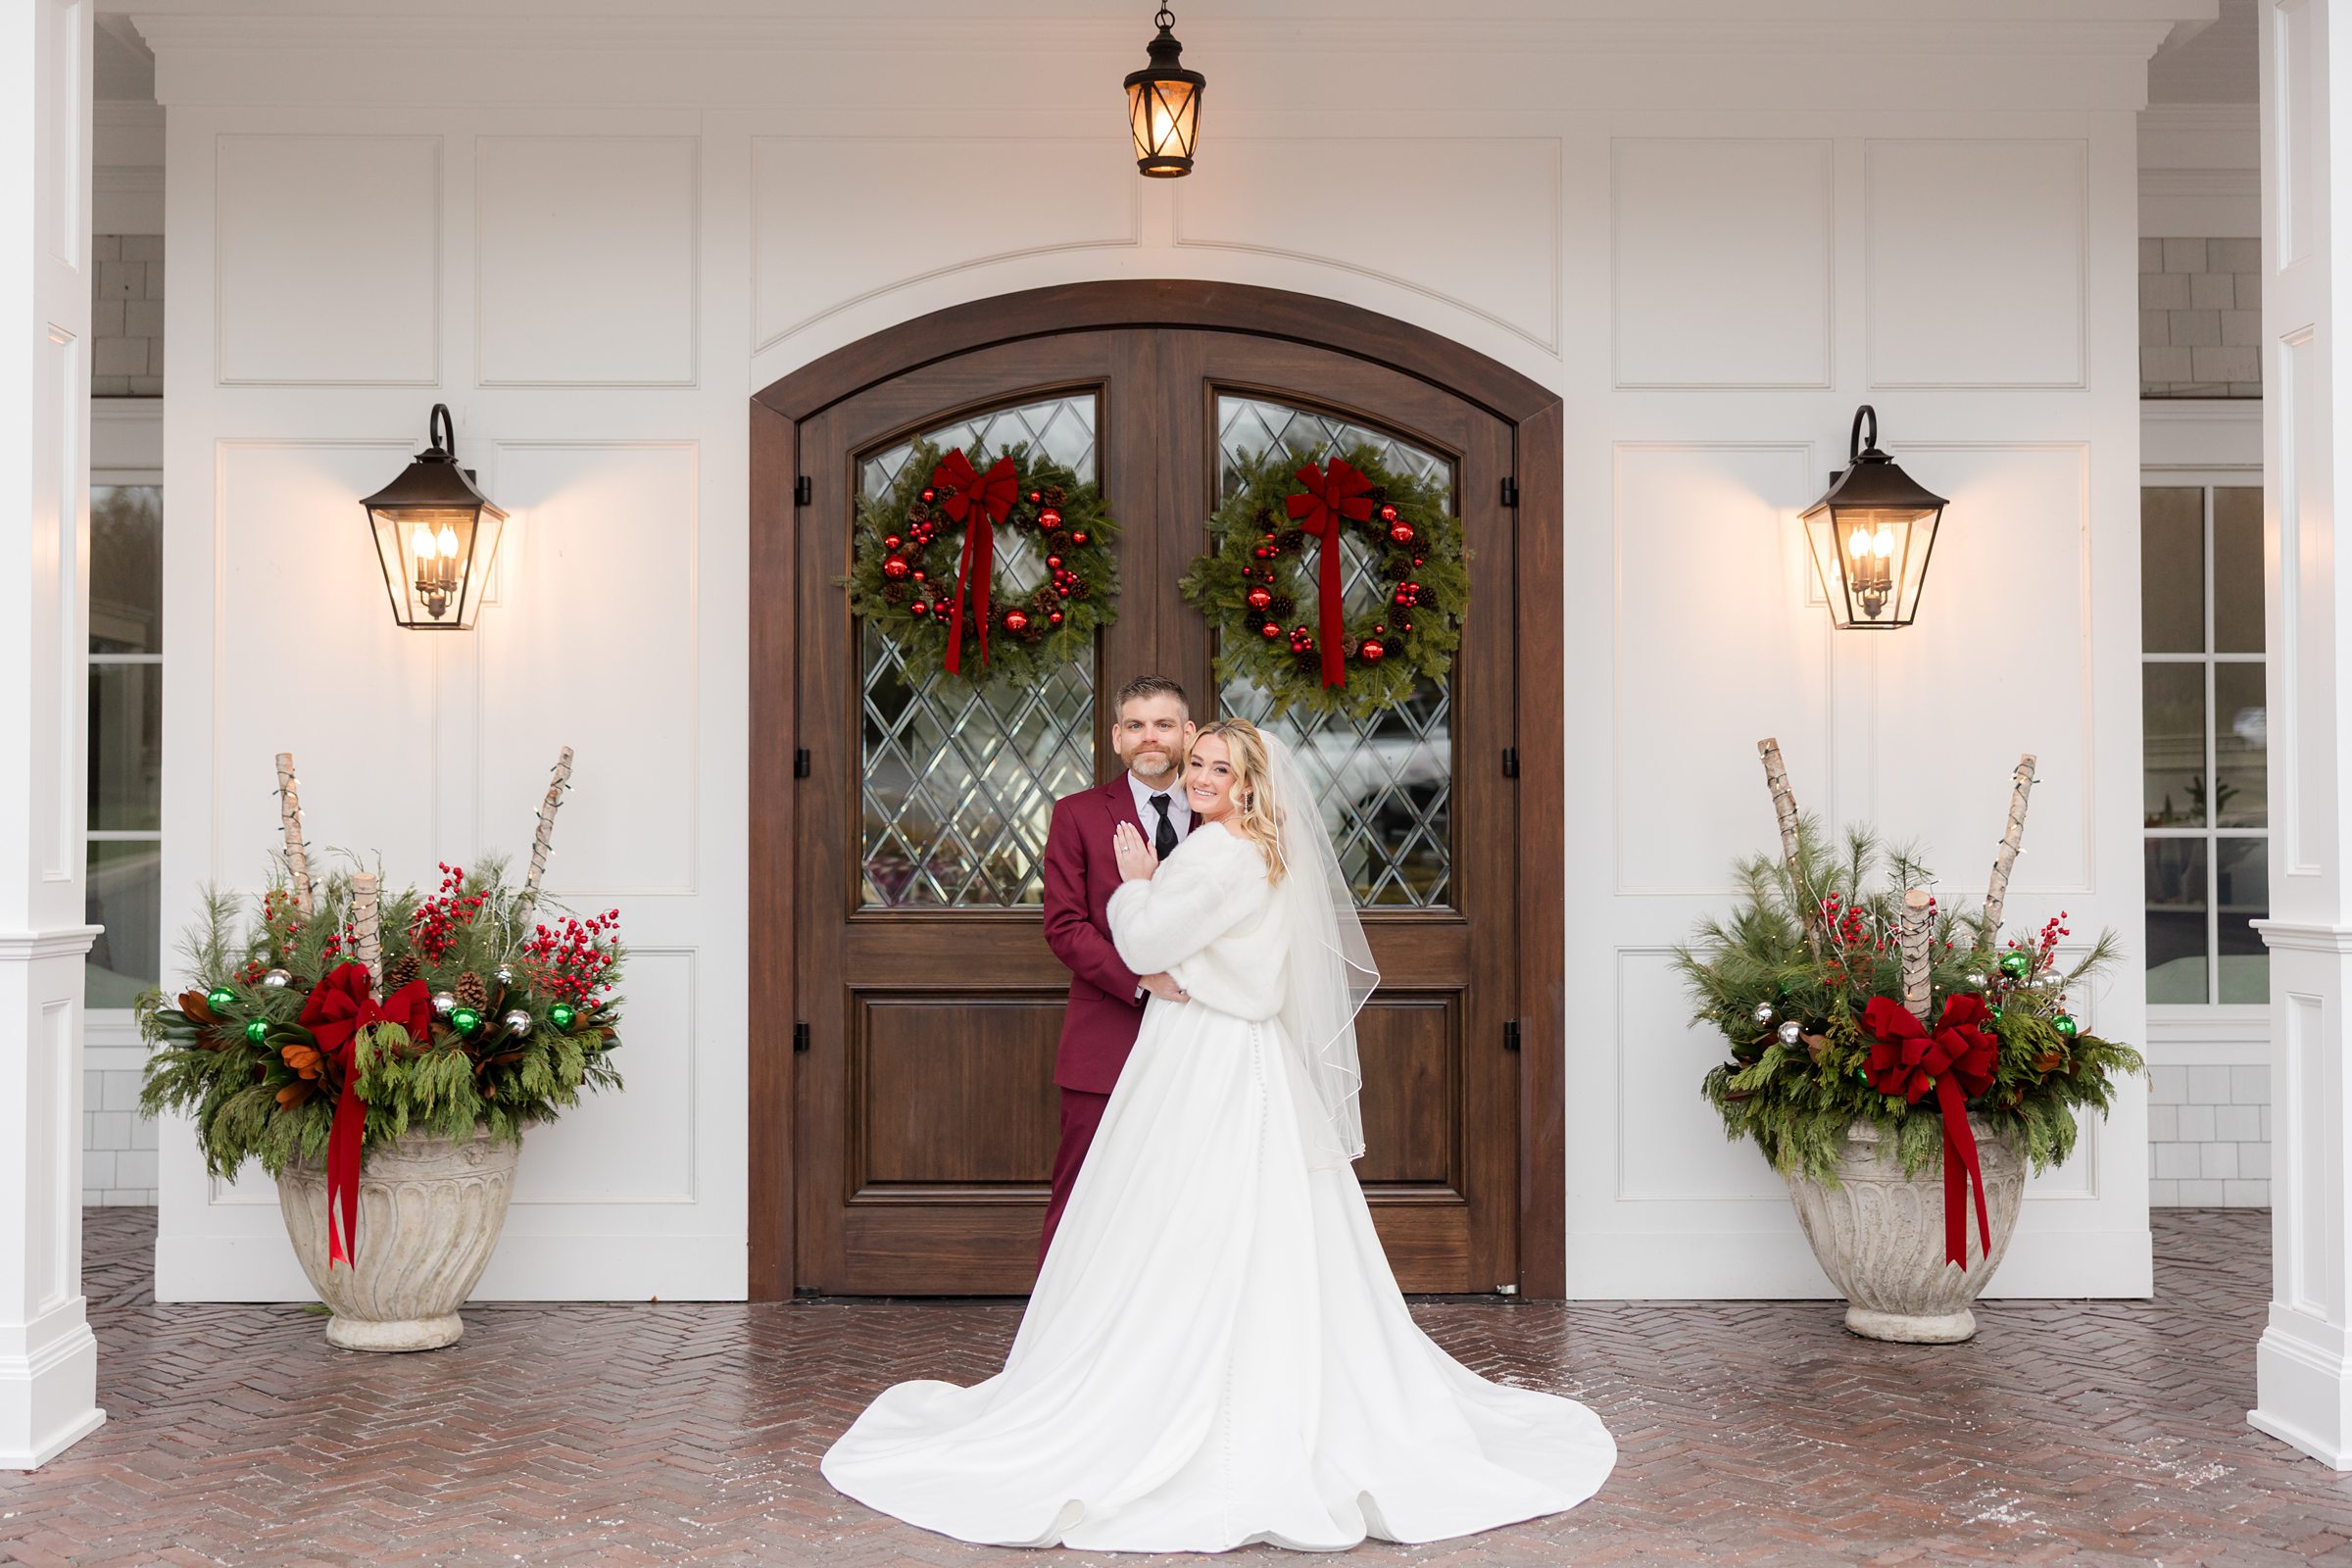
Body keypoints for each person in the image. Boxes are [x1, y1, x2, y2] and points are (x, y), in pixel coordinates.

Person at [822, 718, 1616, 1552]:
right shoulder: (1264, 853)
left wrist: (1136, 883)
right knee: (1257, 1220)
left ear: (1248, 783)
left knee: (1179, 1215)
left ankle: (1176, 1394)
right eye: (1197, 764)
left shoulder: (1213, 853)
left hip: (1203, 1053)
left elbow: (1144, 941)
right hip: (1247, 1055)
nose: (1200, 777)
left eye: (1218, 768)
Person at [1034, 674, 1196, 1262]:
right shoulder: (1076, 814)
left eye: (1163, 725)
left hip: (1205, 1034)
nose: (1149, 738)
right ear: (1116, 738)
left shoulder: (1222, 817)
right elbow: (1064, 925)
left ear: (1188, 733)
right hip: (1107, 1031)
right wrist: (1139, 981)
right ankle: (1057, 1326)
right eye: (1136, 726)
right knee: (1083, 1187)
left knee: (1190, 1187)